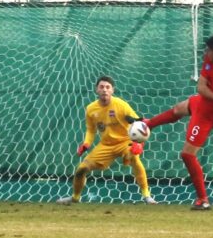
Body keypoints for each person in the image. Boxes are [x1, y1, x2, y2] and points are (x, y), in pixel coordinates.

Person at [144, 35, 213, 210]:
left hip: (207, 115)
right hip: (202, 101)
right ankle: (147, 124)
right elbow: (201, 88)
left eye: (208, 49)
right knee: (178, 109)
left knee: (187, 155)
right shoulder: (209, 62)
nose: (205, 52)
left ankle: (203, 199)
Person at [57, 76, 157, 205]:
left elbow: (140, 125)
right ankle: (75, 197)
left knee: (134, 158)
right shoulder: (90, 109)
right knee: (81, 169)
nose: (104, 90)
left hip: (125, 142)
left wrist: (139, 144)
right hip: (106, 145)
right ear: (96, 90)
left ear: (112, 90)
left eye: (107, 87)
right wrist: (86, 143)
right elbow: (91, 130)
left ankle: (147, 196)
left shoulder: (121, 105)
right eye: (101, 87)